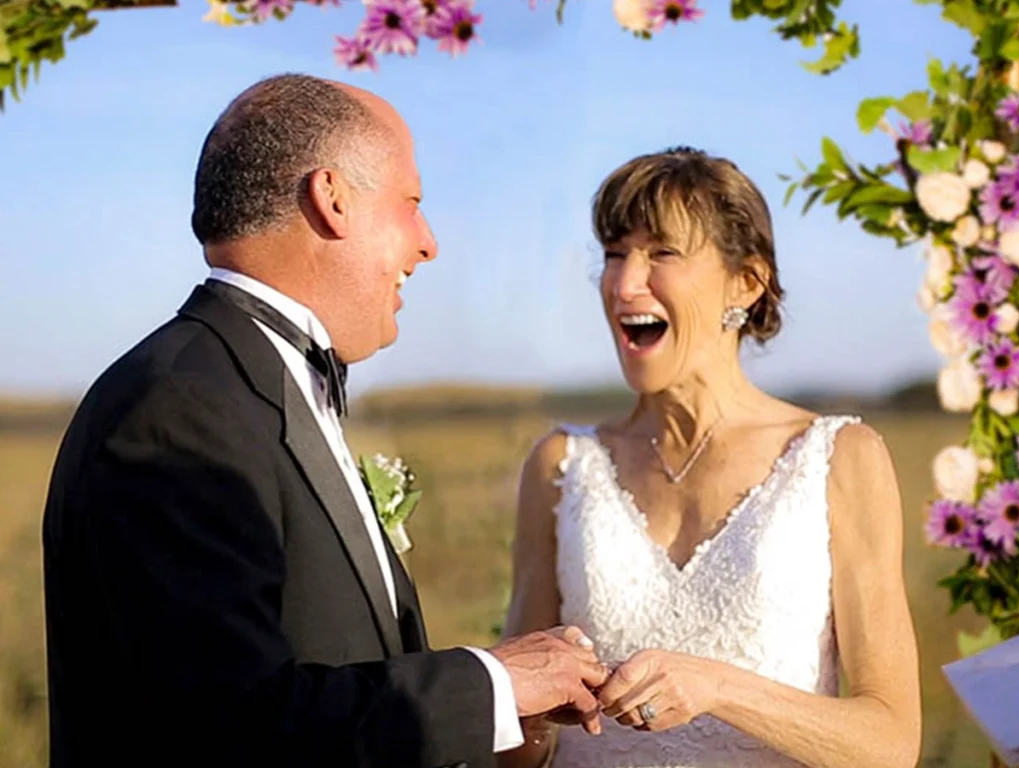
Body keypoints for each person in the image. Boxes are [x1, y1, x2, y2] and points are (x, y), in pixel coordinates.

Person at [41, 73, 608, 768]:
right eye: (413, 203)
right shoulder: (180, 408)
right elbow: (230, 724)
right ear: (333, 198)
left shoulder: (245, 383)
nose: (428, 243)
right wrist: (492, 684)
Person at [500, 147, 922, 768]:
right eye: (614, 254)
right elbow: (519, 752)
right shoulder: (561, 466)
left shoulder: (839, 459)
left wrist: (719, 687)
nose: (623, 282)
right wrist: (534, 711)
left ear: (746, 283)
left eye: (661, 253)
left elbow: (890, 744)